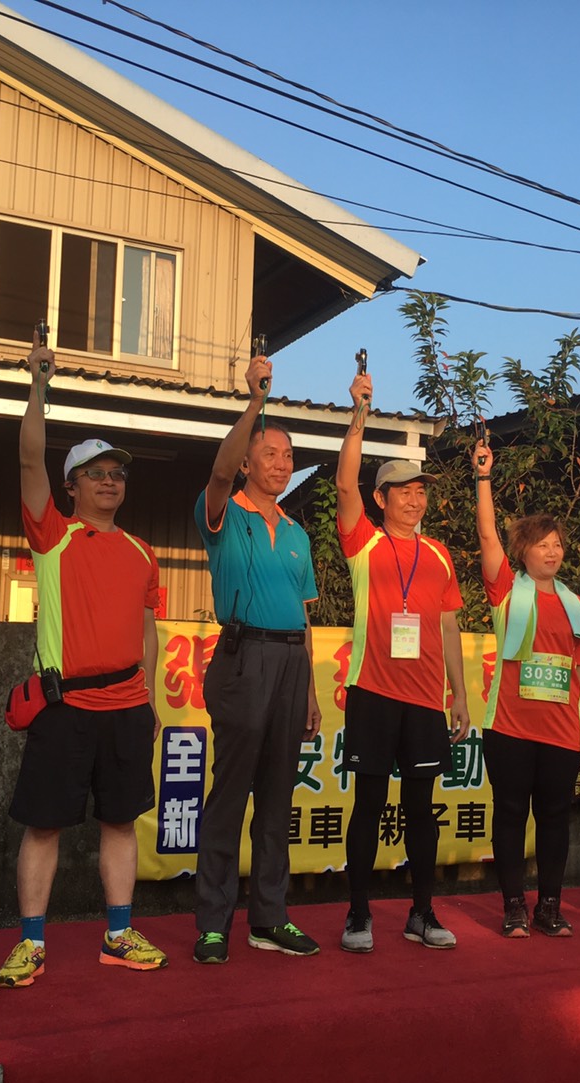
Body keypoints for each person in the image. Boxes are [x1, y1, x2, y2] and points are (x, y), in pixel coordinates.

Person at [0, 333, 167, 987]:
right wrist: (37, 387)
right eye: (96, 474)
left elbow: (148, 629)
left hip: (127, 708)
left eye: (117, 473)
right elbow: (26, 458)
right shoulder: (52, 535)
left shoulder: (143, 552)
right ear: (71, 486)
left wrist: (150, 697)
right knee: (44, 826)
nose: (109, 481)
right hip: (63, 706)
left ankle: (118, 934)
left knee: (121, 822)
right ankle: (31, 942)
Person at [192, 352, 323, 964]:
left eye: (288, 455)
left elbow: (304, 616)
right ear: (247, 462)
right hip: (243, 658)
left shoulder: (297, 533)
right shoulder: (221, 512)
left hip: (292, 664)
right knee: (230, 793)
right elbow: (219, 471)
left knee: (277, 799)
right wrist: (255, 403)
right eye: (269, 453)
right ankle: (212, 924)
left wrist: (312, 691)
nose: (281, 463)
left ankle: (270, 917)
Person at [336, 370, 470, 953]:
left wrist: (458, 694)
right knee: (368, 806)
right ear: (381, 499)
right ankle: (358, 915)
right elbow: (344, 484)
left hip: (424, 701)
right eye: (403, 491)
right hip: (373, 691)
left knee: (422, 810)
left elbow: (449, 625)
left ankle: (422, 912)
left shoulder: (439, 554)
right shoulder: (363, 542)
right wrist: (360, 414)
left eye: (421, 492)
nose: (415, 500)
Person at [473, 439, 580, 938]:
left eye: (557, 545)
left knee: (554, 819)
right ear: (522, 552)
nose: (552, 552)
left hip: (561, 732)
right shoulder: (506, 590)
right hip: (509, 728)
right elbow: (487, 534)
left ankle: (550, 905)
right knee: (509, 814)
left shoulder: (576, 604)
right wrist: (484, 479)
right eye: (542, 545)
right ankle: (513, 906)